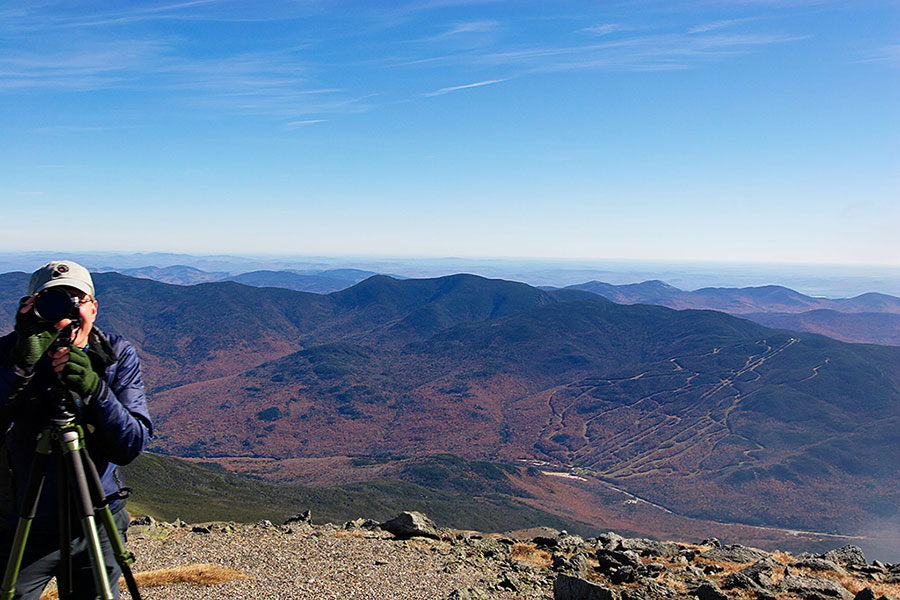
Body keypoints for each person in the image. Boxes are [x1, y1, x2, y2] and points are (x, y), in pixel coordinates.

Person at [0, 260, 151, 599]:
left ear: (93, 308)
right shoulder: (11, 353)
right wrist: (21, 367)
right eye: (53, 301)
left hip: (96, 520)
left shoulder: (115, 355)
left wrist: (95, 390)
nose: (66, 313)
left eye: (77, 301)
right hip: (22, 523)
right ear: (32, 307)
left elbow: (131, 445)